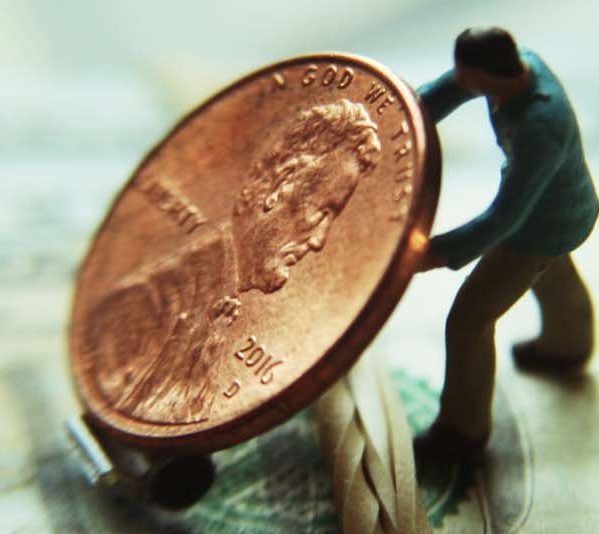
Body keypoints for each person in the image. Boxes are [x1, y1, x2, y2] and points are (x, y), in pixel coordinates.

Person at [84, 99, 382, 422]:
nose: (319, 239)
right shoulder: (147, 302)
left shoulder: (218, 301)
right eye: (323, 212)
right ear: (282, 184)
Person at [413, 26, 599, 464]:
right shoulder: (517, 66)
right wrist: (401, 122)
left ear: (487, 75)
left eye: (467, 78)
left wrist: (436, 253)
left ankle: (464, 428)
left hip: (541, 225)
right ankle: (568, 346)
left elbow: (506, 216)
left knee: (470, 318)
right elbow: (440, 94)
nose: (461, 84)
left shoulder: (541, 123)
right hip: (563, 208)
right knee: (554, 277)